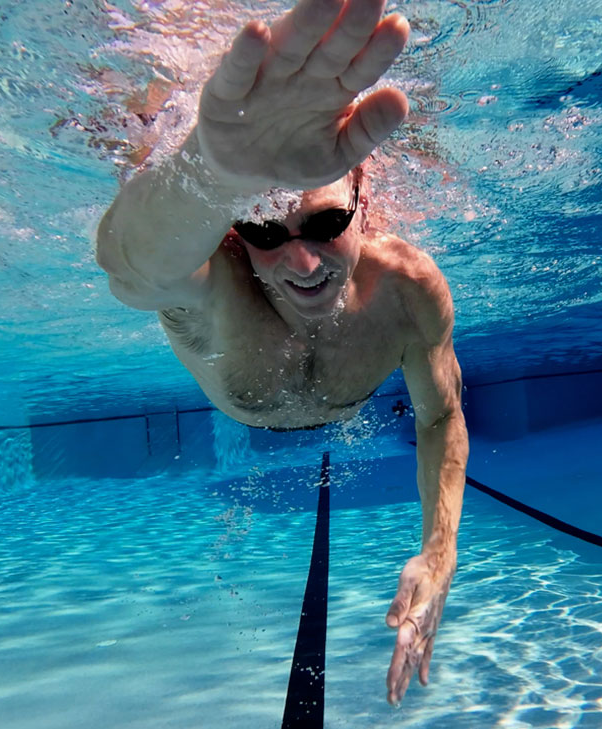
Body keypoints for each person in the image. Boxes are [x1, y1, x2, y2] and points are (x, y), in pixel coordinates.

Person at [94, 0, 467, 707]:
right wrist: (214, 170)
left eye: (326, 222)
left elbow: (440, 416)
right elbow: (131, 267)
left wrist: (438, 553)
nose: (300, 261)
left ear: (361, 195)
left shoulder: (407, 290)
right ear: (236, 230)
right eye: (264, 227)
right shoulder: (217, 279)